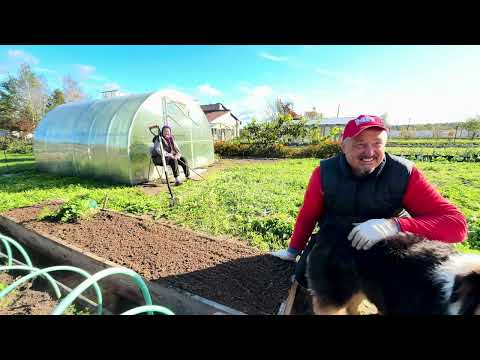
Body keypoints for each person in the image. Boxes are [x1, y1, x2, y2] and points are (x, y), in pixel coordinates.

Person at [270, 114, 468, 291]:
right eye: (360, 143)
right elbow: (308, 214)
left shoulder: (403, 173)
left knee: (412, 287)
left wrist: (393, 225)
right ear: (343, 145)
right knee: (306, 278)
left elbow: (456, 225)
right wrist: (292, 251)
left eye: (377, 143)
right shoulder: (324, 173)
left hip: (387, 244)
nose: (369, 152)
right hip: (337, 237)